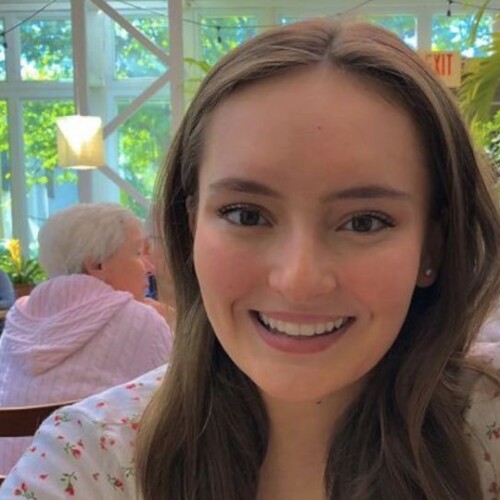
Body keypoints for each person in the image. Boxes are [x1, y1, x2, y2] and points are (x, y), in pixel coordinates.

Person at [2, 19, 500, 500]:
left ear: (430, 248)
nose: (298, 280)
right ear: (191, 225)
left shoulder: (488, 435)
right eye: (245, 214)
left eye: (365, 221)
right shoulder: (86, 459)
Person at [0, 203, 173, 476]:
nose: (149, 267)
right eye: (138, 253)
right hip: (87, 487)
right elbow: (176, 414)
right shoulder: (139, 321)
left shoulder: (17, 318)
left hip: (12, 487)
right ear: (97, 264)